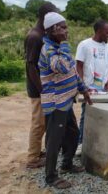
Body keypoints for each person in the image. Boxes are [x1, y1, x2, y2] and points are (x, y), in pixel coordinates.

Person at [38, 12, 92, 189]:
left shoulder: (59, 46)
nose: (66, 31)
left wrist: (83, 89)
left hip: (66, 100)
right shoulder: (49, 49)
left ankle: (67, 164)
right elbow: (61, 67)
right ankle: (51, 177)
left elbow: (72, 72)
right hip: (55, 102)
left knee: (73, 133)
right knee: (54, 139)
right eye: (63, 27)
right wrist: (66, 45)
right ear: (53, 29)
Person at [24, 2, 57, 169]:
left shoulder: (41, 34)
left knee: (44, 121)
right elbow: (31, 65)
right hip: (38, 88)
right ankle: (32, 159)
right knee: (38, 122)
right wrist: (42, 89)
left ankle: (37, 152)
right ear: (46, 16)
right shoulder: (34, 36)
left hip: (43, 87)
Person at [75, 20, 108, 155]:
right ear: (99, 31)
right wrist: (81, 85)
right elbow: (79, 66)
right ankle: (81, 143)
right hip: (89, 87)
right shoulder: (85, 45)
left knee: (103, 113)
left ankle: (100, 142)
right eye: (107, 32)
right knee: (86, 114)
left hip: (103, 88)